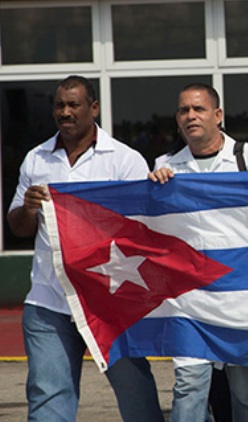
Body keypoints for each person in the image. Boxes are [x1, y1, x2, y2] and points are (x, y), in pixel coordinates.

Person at [7, 75, 164, 422]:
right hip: (49, 301)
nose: (66, 112)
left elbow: (143, 230)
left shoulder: (125, 160)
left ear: (93, 108)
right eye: (59, 105)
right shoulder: (36, 159)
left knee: (136, 394)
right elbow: (17, 227)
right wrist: (30, 207)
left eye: (73, 104)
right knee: (48, 400)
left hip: (111, 301)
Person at [150, 82, 248, 422]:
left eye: (198, 109)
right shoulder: (165, 166)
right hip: (190, 300)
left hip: (240, 297)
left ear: (218, 115)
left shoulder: (247, 158)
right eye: (184, 110)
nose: (191, 116)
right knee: (189, 388)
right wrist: (153, 190)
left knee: (246, 395)